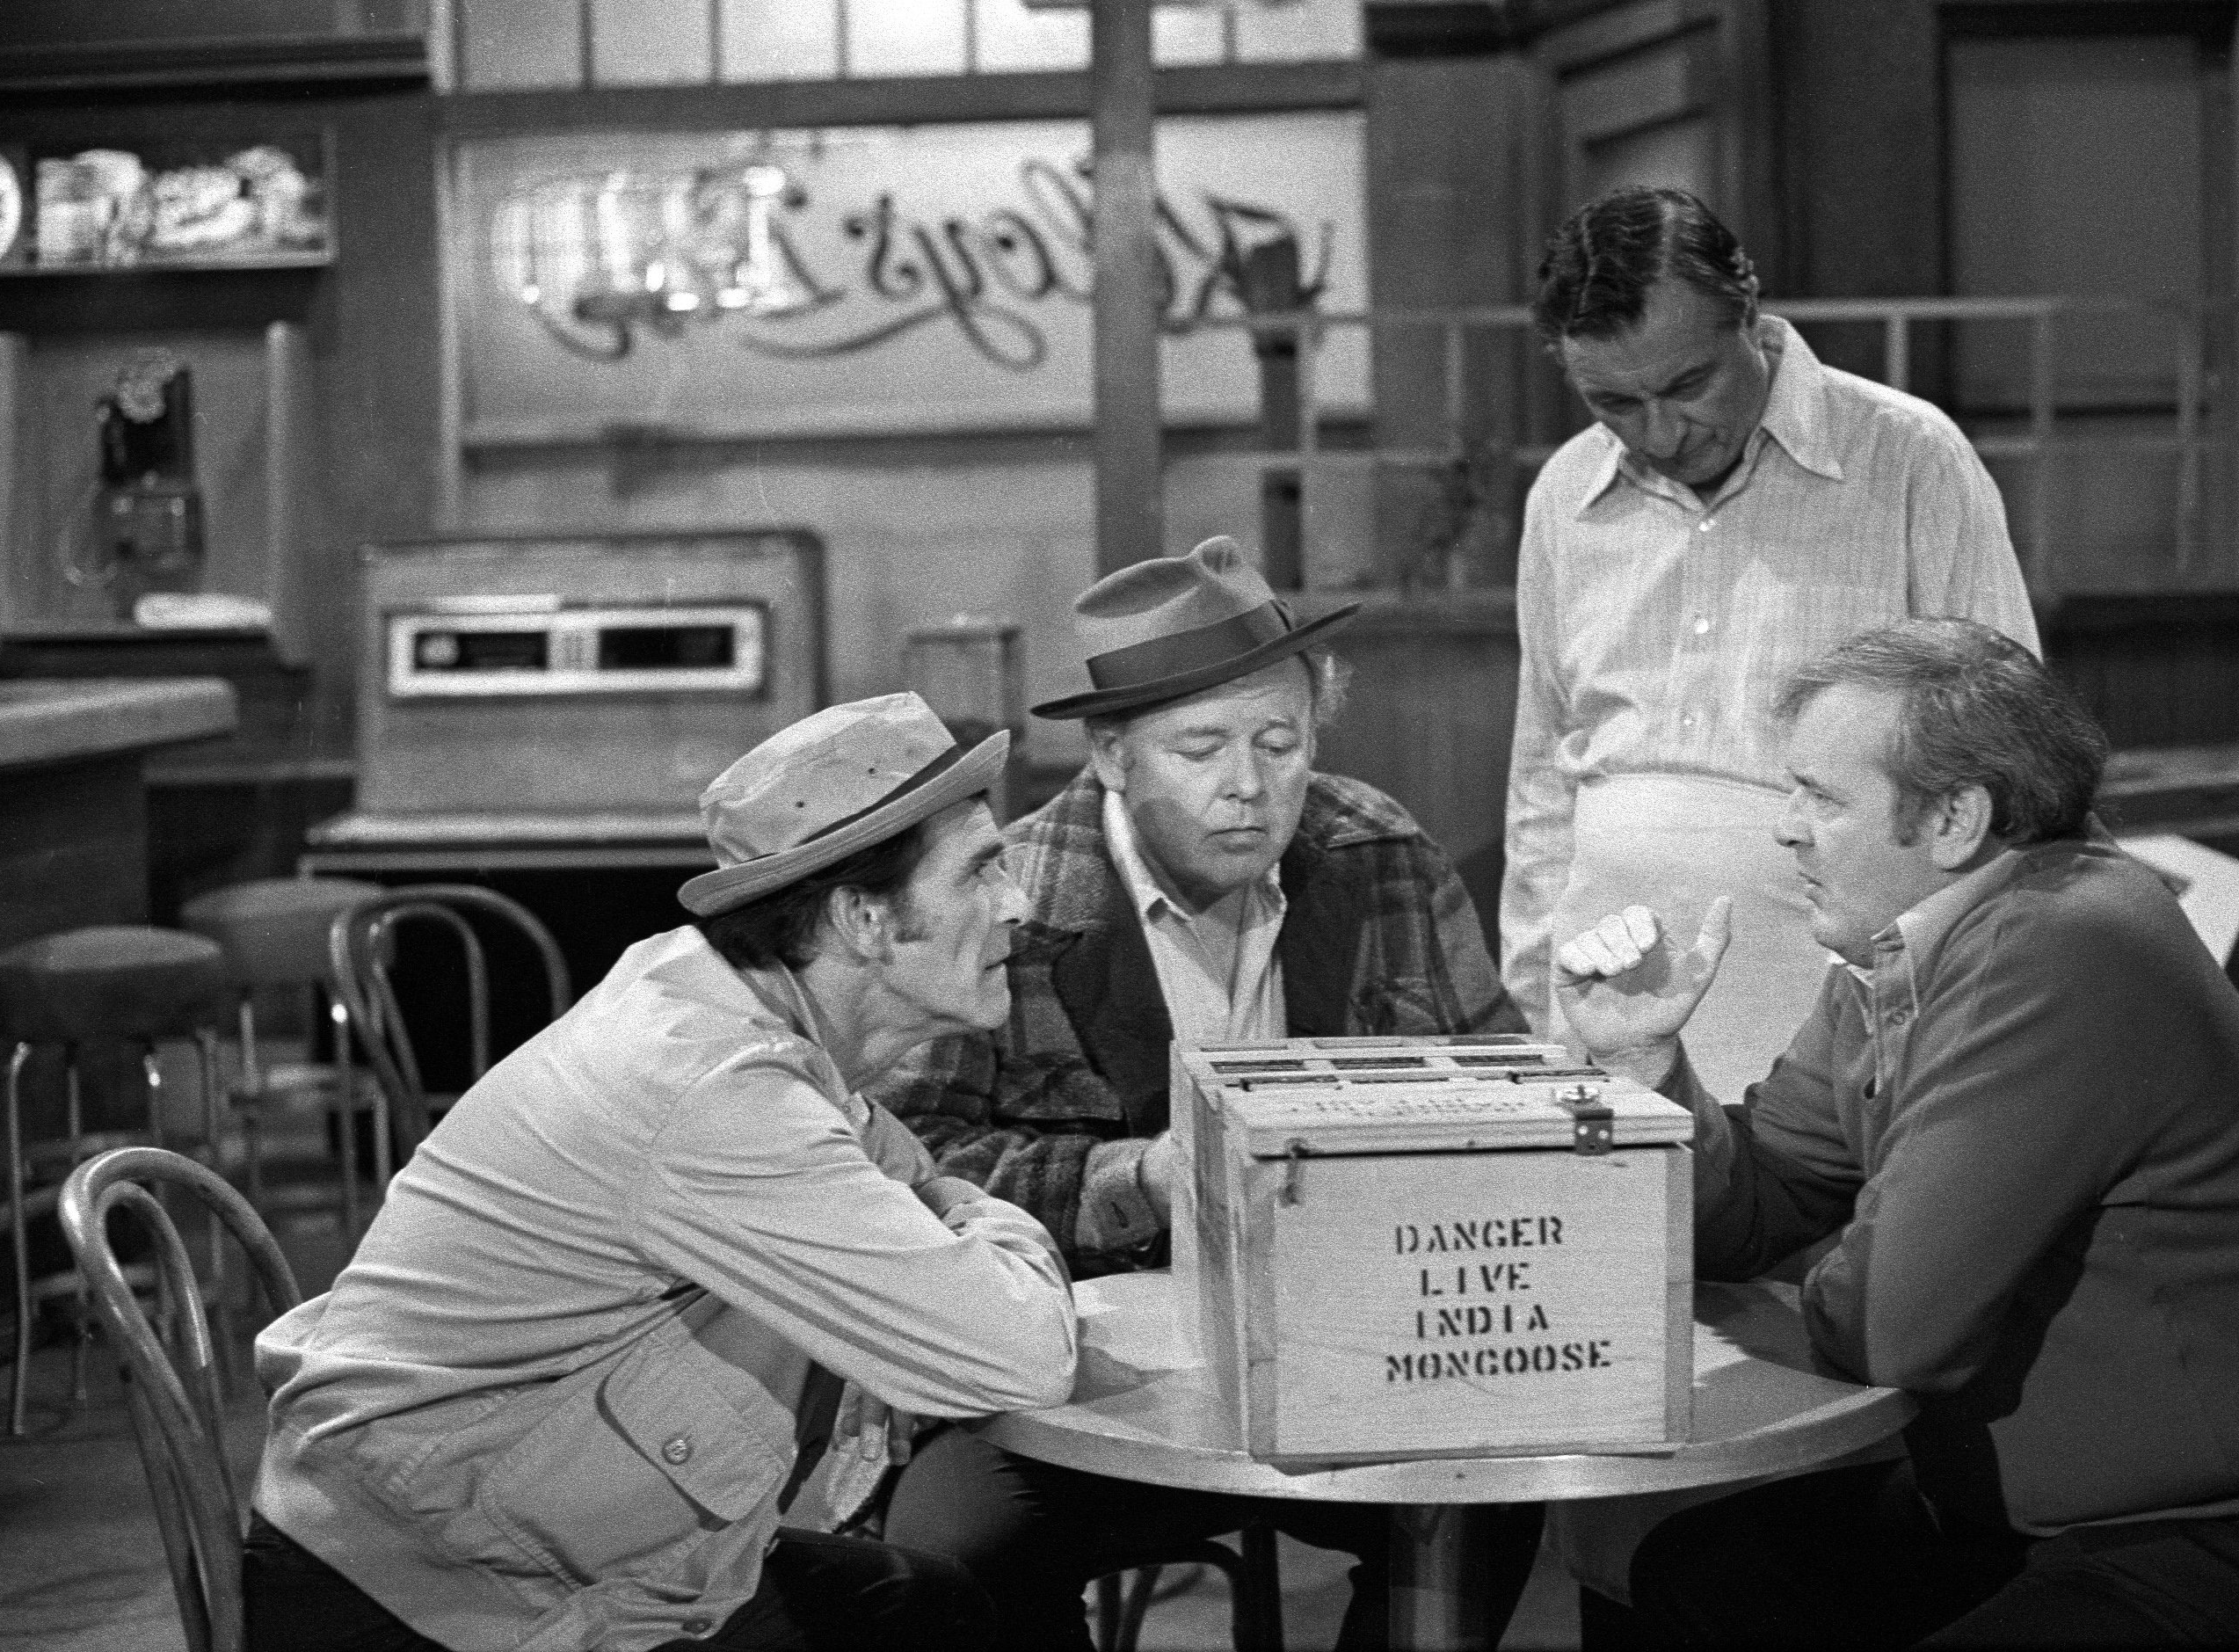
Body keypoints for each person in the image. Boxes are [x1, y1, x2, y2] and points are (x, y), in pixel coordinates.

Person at [1552, 619, 2239, 1647]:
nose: (1784, 826)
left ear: (1954, 818)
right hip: (2025, 1515)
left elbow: (1895, 1328)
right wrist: (1645, 1069)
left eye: (1819, 795)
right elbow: (1754, 1210)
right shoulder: (1900, 950)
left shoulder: (2061, 944)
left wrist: (1849, 1261)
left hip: (2238, 1535)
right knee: (1701, 1573)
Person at [245, 694, 1080, 1652]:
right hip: (431, 1598)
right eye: (981, 868)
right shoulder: (712, 1088)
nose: (1017, 900)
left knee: (944, 1607)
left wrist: (939, 1217)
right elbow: (1016, 1351)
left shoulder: (733, 1008)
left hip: (526, 1546)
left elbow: (909, 1188)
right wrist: (991, 1218)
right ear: (862, 919)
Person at [871, 536, 1536, 1649]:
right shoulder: (1009, 902)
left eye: (1281, 741)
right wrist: (1135, 1180)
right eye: (1201, 747)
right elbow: (912, 1166)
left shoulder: (1380, 858)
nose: (1249, 785)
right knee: (949, 1551)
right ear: (1111, 757)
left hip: (1357, 1356)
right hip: (1085, 1382)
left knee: (1490, 1503)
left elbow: (1495, 1091)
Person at [1503, 185, 2041, 1103]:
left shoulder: (1908, 458)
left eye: (1686, 386)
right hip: (1604, 996)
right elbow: (1543, 770)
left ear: (1750, 317)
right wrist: (1533, 982)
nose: (1660, 433)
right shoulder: (1564, 491)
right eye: (1613, 404)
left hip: (1843, 999)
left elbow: (2008, 765)